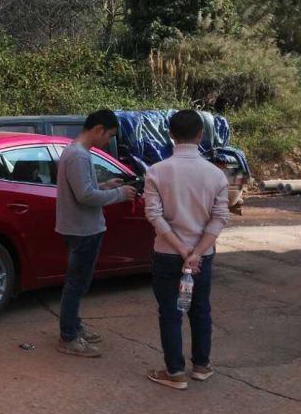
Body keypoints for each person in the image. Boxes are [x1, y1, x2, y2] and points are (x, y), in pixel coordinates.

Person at [144, 110, 229, 390]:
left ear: (170, 134)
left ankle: (175, 372)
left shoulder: (157, 171)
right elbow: (220, 217)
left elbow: (155, 216)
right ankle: (202, 366)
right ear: (201, 135)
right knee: (200, 309)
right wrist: (195, 253)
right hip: (202, 257)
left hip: (167, 254)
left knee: (170, 312)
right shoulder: (215, 174)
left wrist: (181, 249)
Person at [56, 109, 137, 357]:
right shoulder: (79, 156)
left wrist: (105, 185)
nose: (108, 141)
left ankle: (74, 327)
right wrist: (120, 194)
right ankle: (68, 336)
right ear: (98, 129)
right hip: (83, 230)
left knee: (78, 283)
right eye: (109, 135)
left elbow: (84, 189)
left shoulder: (74, 152)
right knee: (76, 284)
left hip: (80, 227)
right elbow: (85, 196)